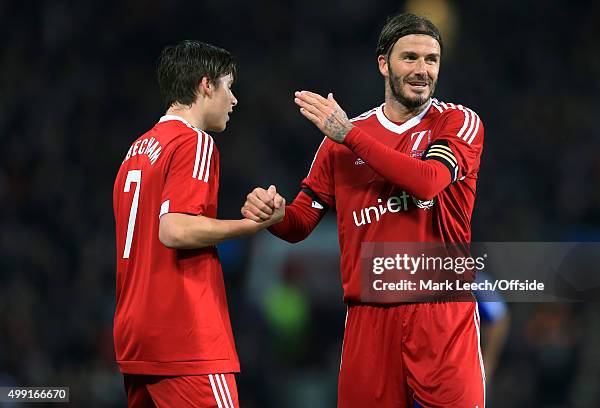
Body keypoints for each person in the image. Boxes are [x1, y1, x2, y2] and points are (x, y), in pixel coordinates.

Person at [242, 13, 485, 407]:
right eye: (410, 58)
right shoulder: (341, 141)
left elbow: (428, 181)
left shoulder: (456, 121)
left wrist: (349, 136)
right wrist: (275, 216)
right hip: (368, 318)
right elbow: (302, 221)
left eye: (432, 60)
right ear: (383, 64)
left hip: (441, 313)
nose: (422, 70)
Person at [113, 40, 284, 408]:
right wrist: (248, 226)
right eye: (229, 86)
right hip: (184, 335)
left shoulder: (136, 151)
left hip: (134, 335)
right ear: (206, 85)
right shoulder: (195, 142)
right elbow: (174, 229)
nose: (234, 99)